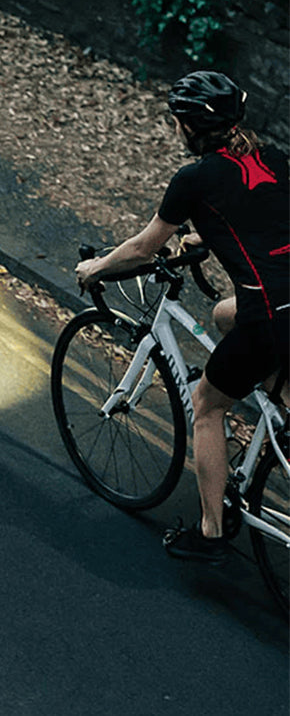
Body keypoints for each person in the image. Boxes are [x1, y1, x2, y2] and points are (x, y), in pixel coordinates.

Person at [74, 71, 289, 564]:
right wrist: (204, 236)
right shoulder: (273, 157)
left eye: (175, 122)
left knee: (207, 404)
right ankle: (279, 408)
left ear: (190, 128)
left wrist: (98, 267)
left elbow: (144, 247)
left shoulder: (193, 180)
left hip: (272, 316)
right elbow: (258, 213)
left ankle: (211, 533)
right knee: (222, 314)